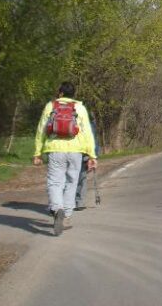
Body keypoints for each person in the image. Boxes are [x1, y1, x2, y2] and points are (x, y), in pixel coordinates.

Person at [33, 82, 97, 235]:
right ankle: (67, 216)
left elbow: (41, 129)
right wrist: (92, 155)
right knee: (71, 182)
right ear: (73, 94)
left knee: (55, 182)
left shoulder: (51, 106)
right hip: (76, 151)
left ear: (60, 93)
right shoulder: (80, 108)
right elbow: (88, 133)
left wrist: (37, 152)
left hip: (55, 149)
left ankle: (56, 208)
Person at [74, 117, 99, 211]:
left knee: (70, 177)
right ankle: (79, 202)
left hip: (66, 152)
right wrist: (93, 156)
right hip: (83, 152)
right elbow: (93, 141)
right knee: (81, 177)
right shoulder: (88, 122)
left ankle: (68, 202)